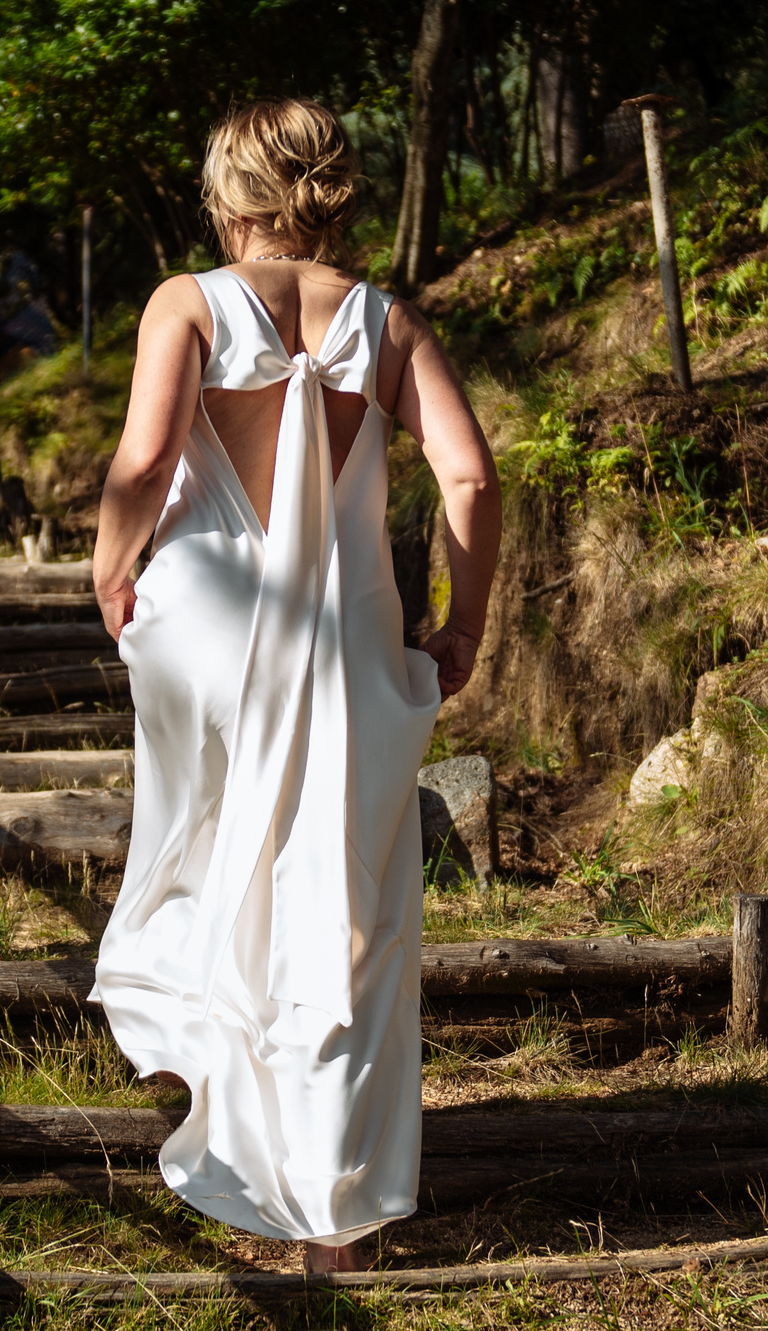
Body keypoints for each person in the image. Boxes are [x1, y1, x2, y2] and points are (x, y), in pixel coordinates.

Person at [88, 99, 501, 1273]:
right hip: (351, 648)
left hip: (209, 632)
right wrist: (459, 624)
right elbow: (467, 478)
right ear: (333, 195)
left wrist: (111, 570)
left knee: (216, 853)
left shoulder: (188, 302)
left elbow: (146, 457)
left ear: (233, 199)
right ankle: (335, 1223)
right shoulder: (389, 323)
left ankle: (211, 1079)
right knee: (345, 910)